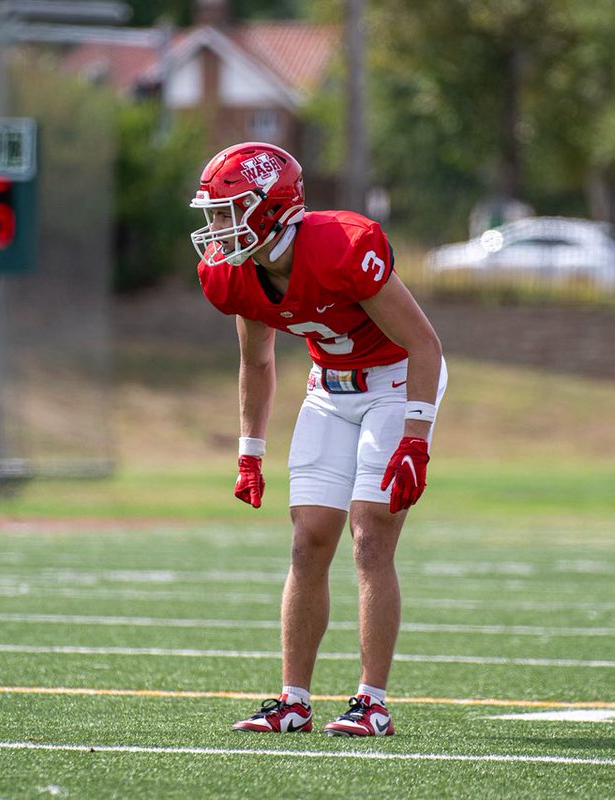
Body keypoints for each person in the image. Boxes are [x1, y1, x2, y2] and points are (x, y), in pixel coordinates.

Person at [189, 142, 447, 737]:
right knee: (308, 540)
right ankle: (293, 700)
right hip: (327, 389)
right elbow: (257, 363)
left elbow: (424, 345)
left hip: (395, 380)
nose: (217, 229)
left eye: (229, 211)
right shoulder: (233, 273)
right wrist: (249, 453)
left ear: (272, 207)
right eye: (214, 214)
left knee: (369, 535)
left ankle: (371, 701)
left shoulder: (341, 248)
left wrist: (415, 437)